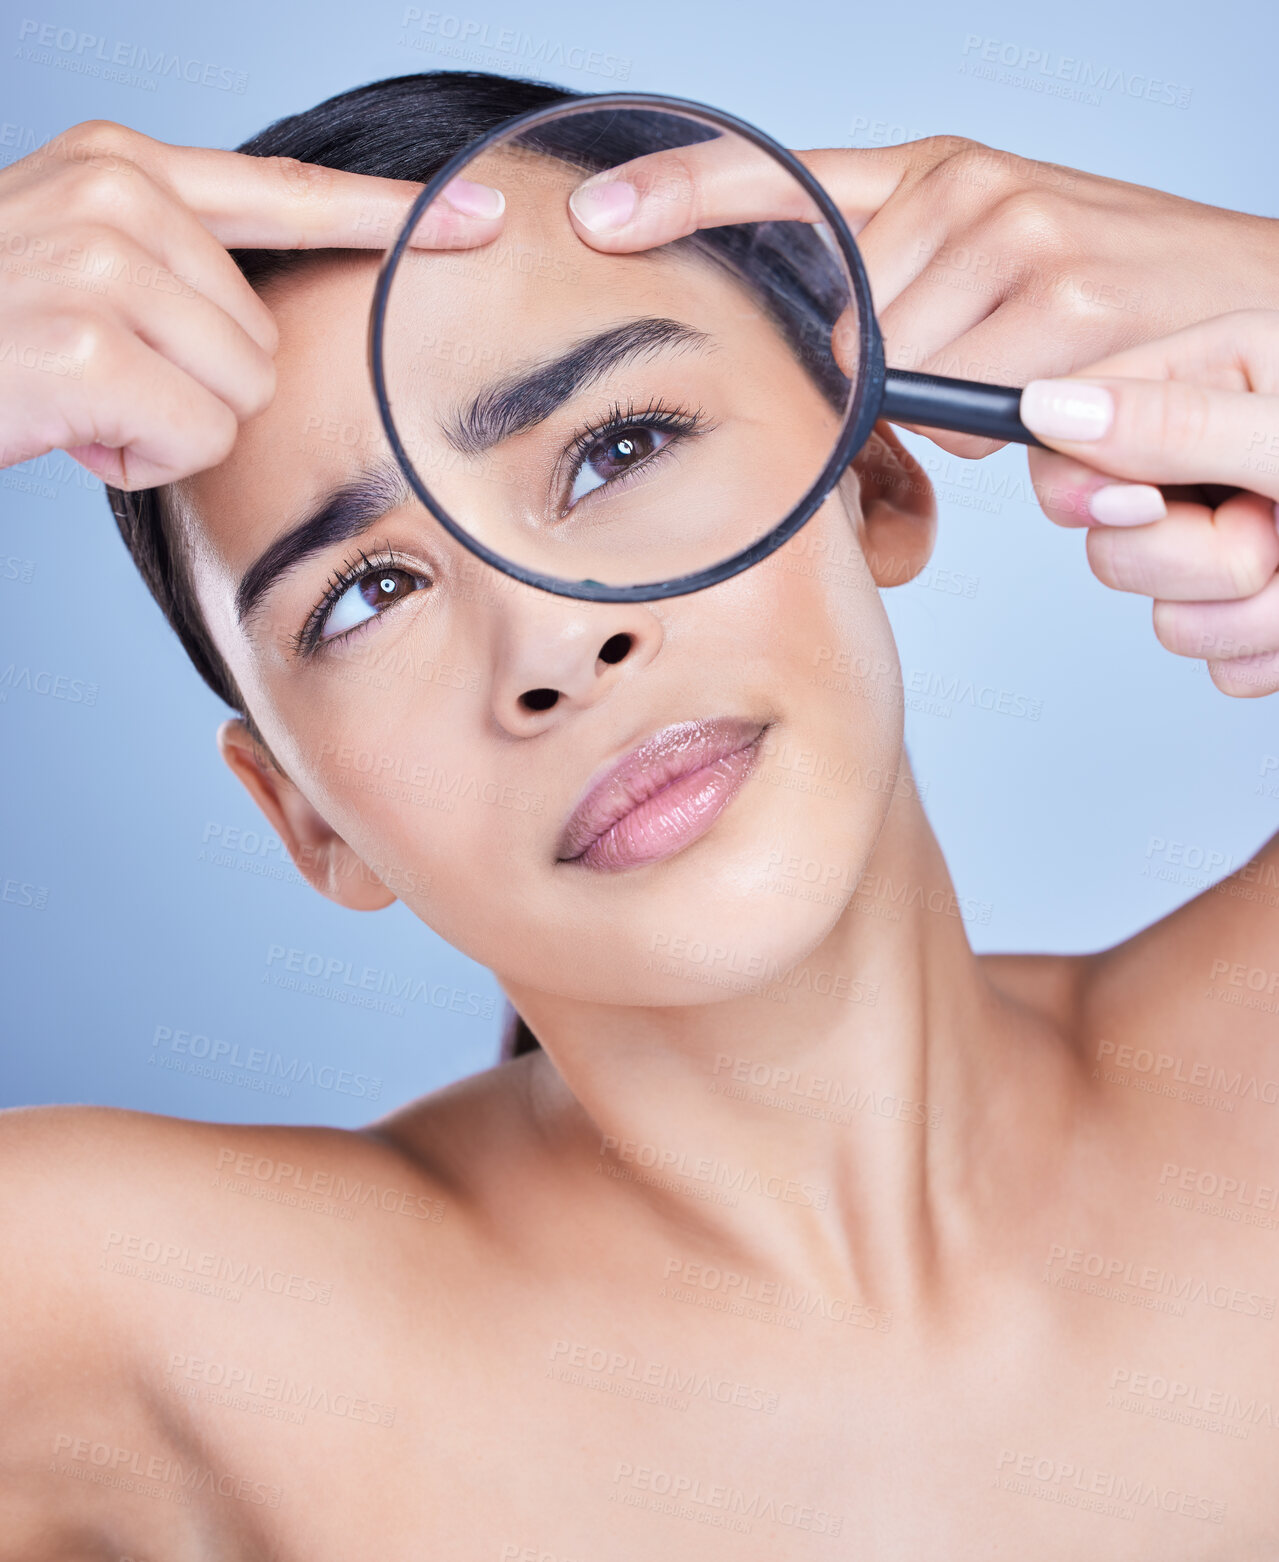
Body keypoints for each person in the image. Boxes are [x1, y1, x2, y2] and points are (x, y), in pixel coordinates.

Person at [2, 69, 1279, 1556]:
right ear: (306, 819)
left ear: (871, 477)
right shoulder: (136, 1317)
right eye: (367, 594)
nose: (552, 642)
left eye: (616, 447)